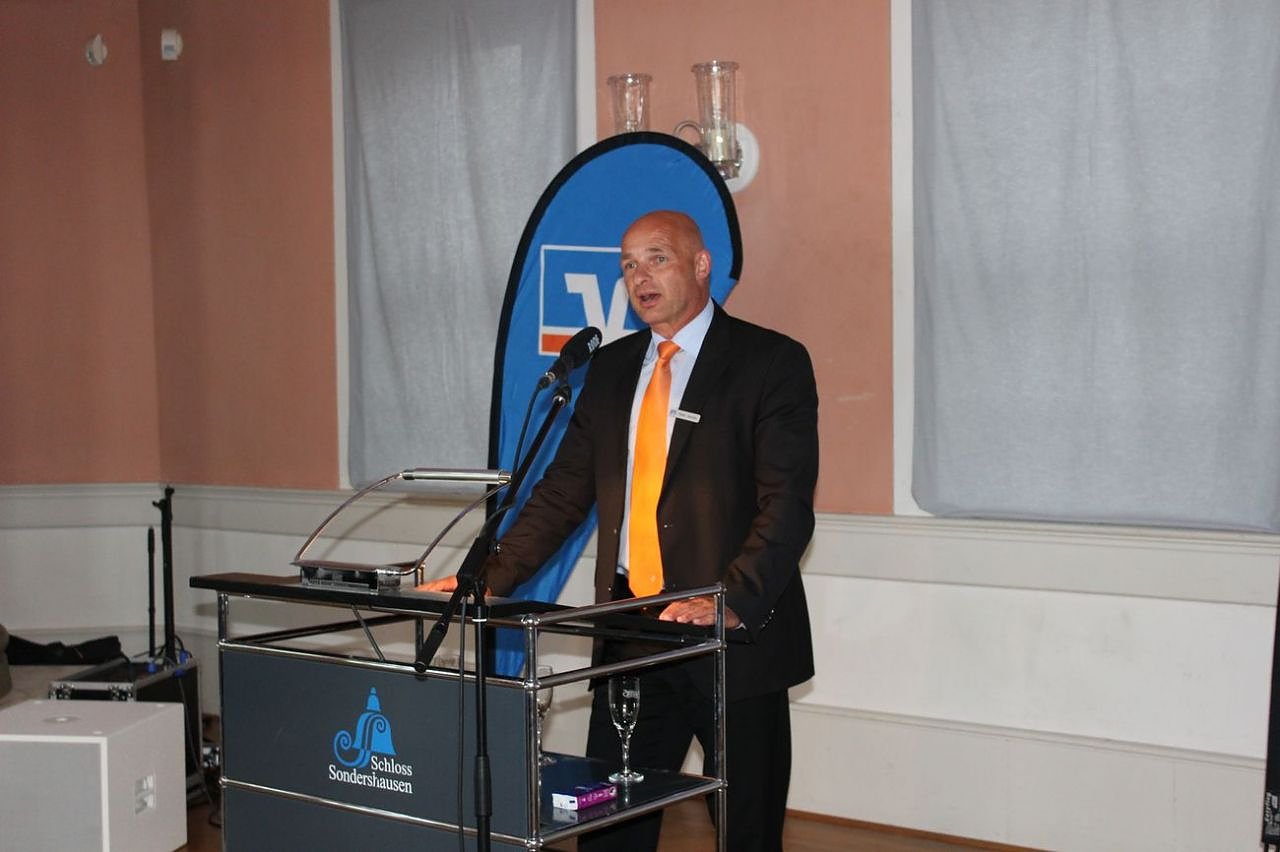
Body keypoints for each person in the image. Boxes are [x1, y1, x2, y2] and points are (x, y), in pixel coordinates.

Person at [421, 209, 818, 851]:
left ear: (701, 265)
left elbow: (788, 505)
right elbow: (561, 494)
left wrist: (732, 601)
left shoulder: (769, 361)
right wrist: (487, 579)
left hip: (728, 636)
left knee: (746, 831)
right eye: (629, 265)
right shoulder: (609, 369)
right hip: (630, 629)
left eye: (657, 258)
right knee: (607, 827)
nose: (640, 277)